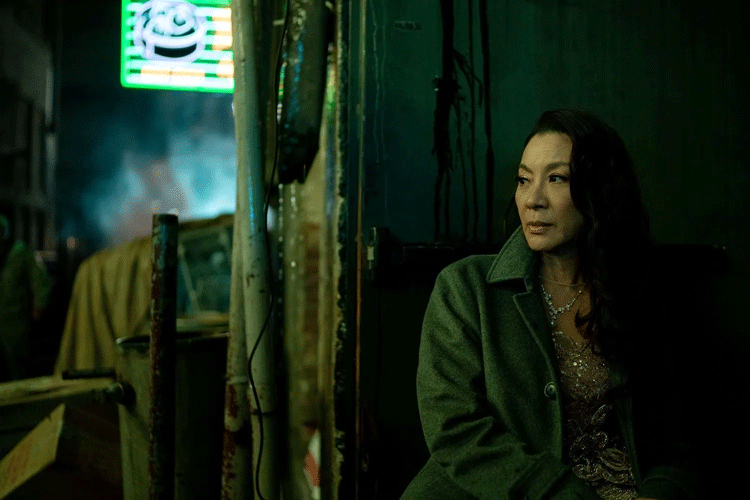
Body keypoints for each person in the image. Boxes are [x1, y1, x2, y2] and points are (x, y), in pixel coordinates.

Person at [401, 109, 698, 499]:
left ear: (600, 191)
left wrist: (659, 493)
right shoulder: (466, 287)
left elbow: (677, 437)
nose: (532, 200)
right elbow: (454, 428)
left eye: (557, 178)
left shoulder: (639, 293)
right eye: (524, 180)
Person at [0, 215, 51, 381]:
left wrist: (39, 305)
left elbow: (39, 279)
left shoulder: (20, 252)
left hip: (14, 320)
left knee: (18, 366)